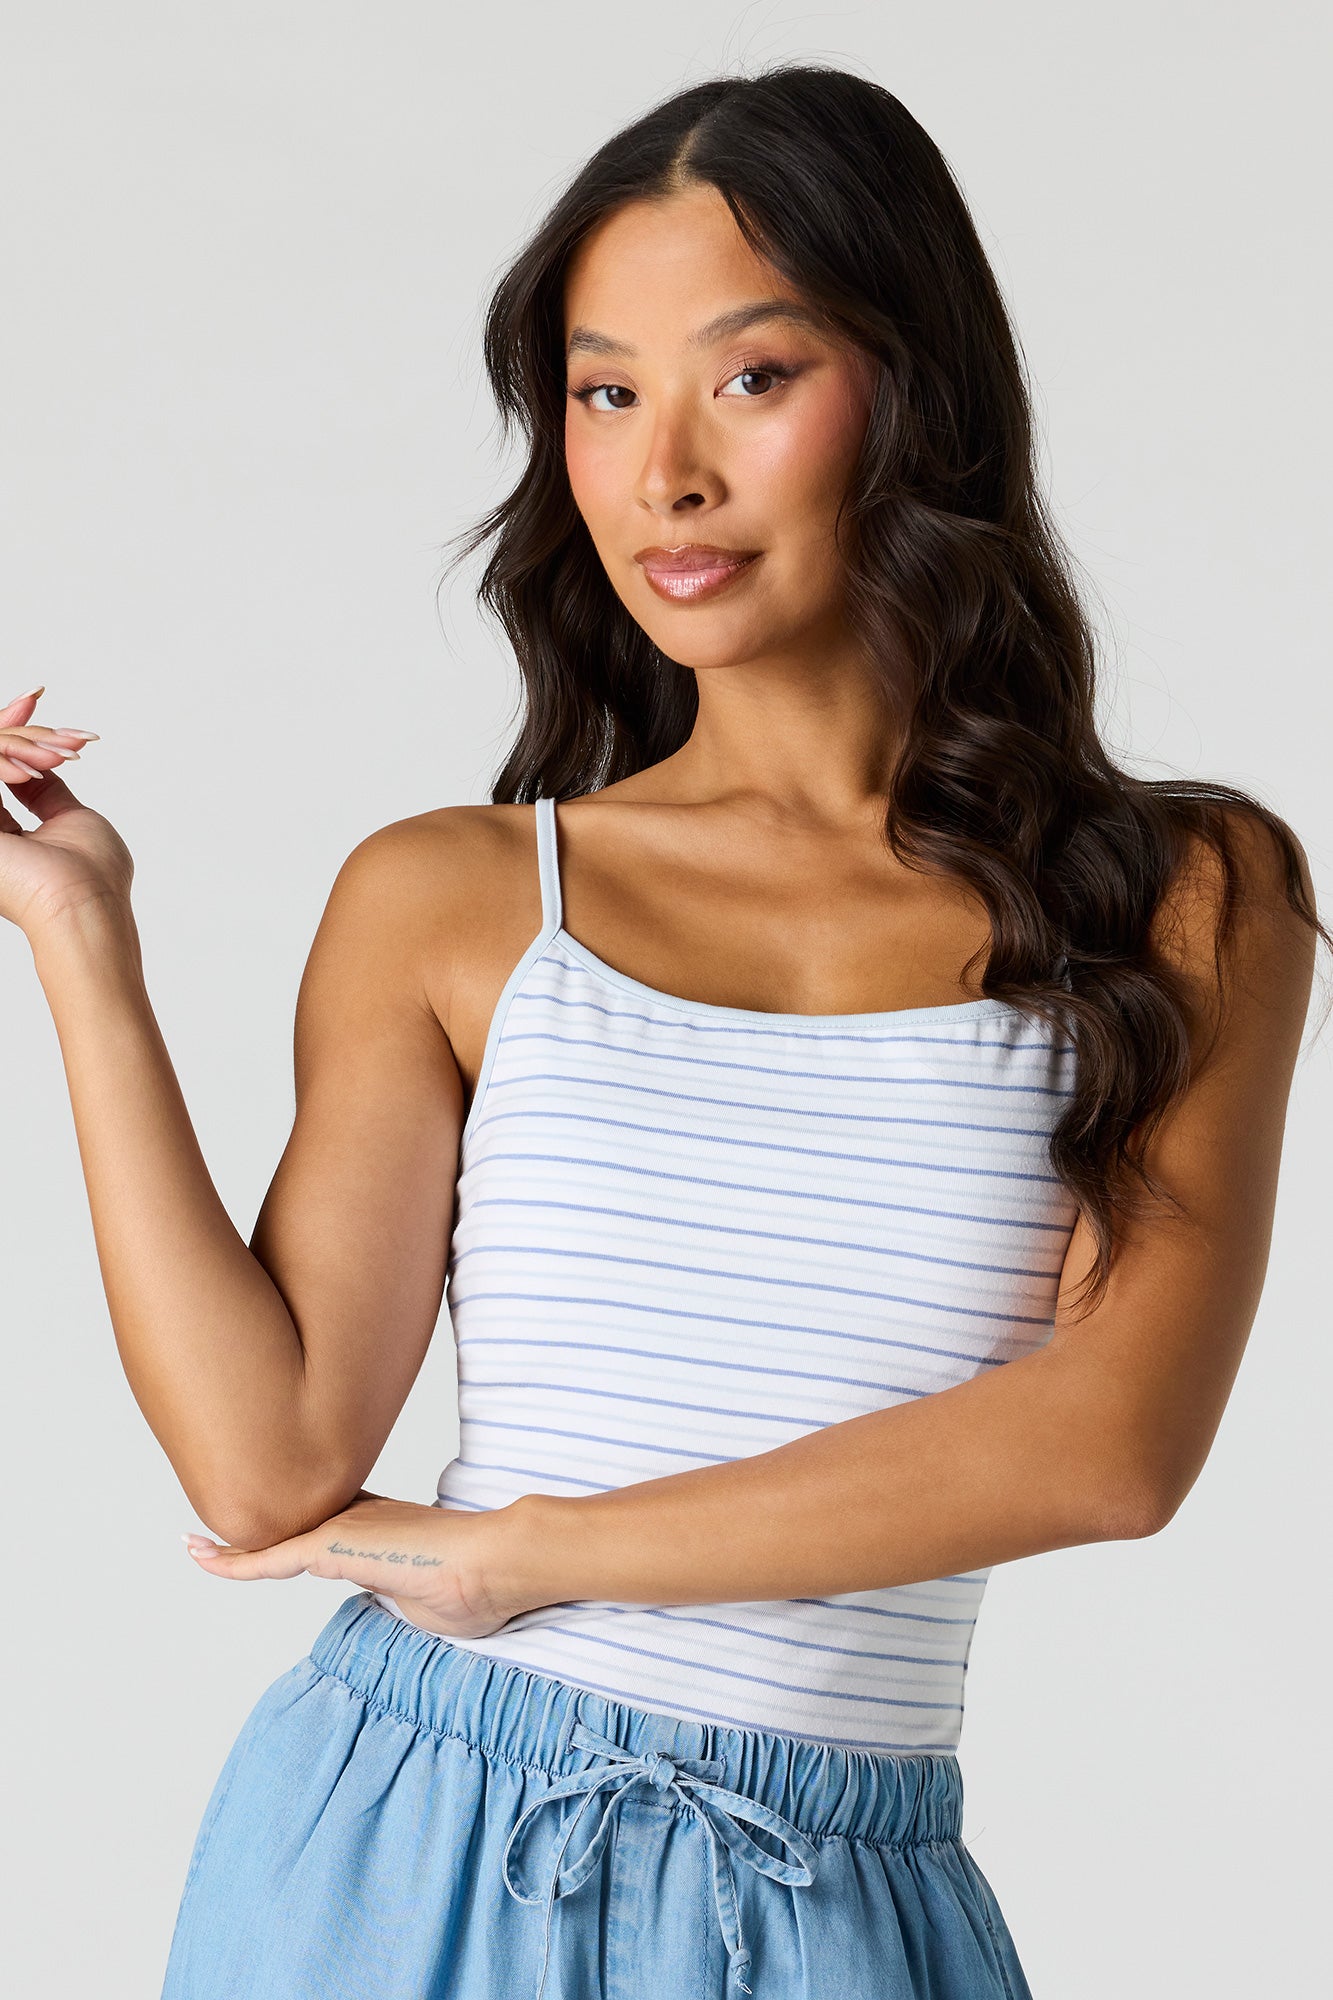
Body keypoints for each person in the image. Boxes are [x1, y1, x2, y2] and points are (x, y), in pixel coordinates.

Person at [1, 63, 1324, 2000]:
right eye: (603, 392)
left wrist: (530, 1553)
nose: (662, 474)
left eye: (751, 377)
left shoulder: (1186, 895)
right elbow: (269, 1465)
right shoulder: (460, 895)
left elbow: (1108, 1446)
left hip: (832, 1878)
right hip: (399, 1836)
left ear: (917, 394)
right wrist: (77, 934)